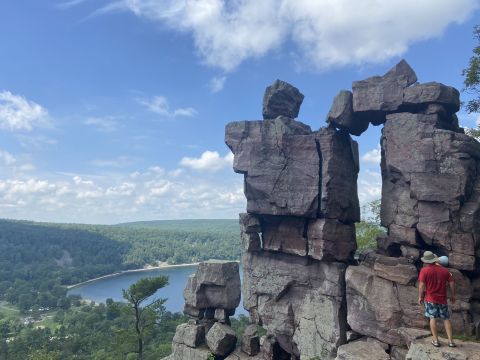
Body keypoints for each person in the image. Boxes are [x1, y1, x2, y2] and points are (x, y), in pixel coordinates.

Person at [418, 251, 456, 348]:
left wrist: (420, 296)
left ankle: (436, 341)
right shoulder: (444, 271)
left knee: (432, 318)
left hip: (430, 299)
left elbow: (422, 285)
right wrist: (453, 295)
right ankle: (451, 342)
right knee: (446, 319)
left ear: (426, 261)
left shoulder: (424, 270)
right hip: (442, 299)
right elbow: (452, 283)